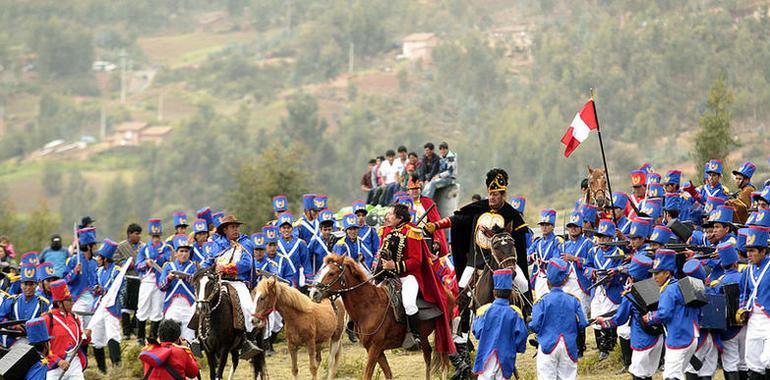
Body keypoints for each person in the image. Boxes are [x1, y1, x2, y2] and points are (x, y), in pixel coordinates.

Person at [424, 168, 528, 375]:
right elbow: (457, 219)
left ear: (503, 194)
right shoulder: (478, 209)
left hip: (502, 262)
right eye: (490, 193)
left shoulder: (511, 215)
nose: (492, 197)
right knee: (459, 294)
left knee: (523, 281)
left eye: (496, 194)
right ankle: (460, 338)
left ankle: (529, 315)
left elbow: (516, 240)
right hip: (475, 261)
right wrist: (436, 226)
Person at [377, 203, 455, 354]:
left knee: (409, 304)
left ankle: (415, 336)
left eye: (391, 214)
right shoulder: (387, 231)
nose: (388, 217)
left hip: (408, 276)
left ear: (400, 218)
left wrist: (395, 265)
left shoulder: (412, 232)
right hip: (390, 276)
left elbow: (416, 261)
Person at [201, 214, 260, 360]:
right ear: (225, 230)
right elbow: (208, 262)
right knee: (201, 303)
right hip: (218, 282)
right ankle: (199, 338)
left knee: (247, 307)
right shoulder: (217, 244)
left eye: (236, 227)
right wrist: (200, 271)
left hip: (237, 282)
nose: (236, 230)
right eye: (232, 227)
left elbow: (247, 264)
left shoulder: (245, 243)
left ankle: (248, 341)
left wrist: (227, 268)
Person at [595, 253, 661, 380]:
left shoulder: (630, 295)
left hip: (642, 338)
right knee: (648, 373)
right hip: (658, 337)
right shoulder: (657, 288)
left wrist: (604, 322)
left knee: (638, 374)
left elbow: (620, 319)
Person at [643, 248, 700, 380]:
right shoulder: (681, 285)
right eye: (653, 274)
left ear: (667, 273)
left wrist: (650, 317)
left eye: (657, 273)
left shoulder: (669, 290)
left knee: (671, 376)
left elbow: (664, 314)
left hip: (679, 338)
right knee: (678, 374)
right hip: (691, 334)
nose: (654, 277)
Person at [529, 258, 589, 380]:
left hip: (547, 345)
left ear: (547, 282)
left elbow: (534, 325)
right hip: (569, 345)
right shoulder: (573, 300)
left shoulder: (541, 302)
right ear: (565, 280)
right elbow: (583, 323)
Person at [471, 268, 527, 380]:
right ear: (511, 294)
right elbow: (521, 337)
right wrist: (516, 347)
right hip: (506, 358)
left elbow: (477, 332)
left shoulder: (483, 310)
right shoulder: (516, 313)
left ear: (494, 292)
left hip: (485, 355)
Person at [584, 219, 625, 361]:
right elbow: (587, 267)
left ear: (611, 238)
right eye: (600, 236)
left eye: (605, 237)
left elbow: (622, 270)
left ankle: (611, 346)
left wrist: (613, 274)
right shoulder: (593, 251)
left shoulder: (618, 251)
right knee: (596, 315)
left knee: (608, 316)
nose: (601, 239)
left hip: (611, 289)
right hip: (597, 289)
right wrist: (592, 272)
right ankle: (601, 347)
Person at [737, 226, 770, 378]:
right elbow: (744, 293)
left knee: (768, 359)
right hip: (754, 319)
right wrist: (742, 309)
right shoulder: (747, 270)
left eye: (753, 251)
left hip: (768, 317)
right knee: (753, 361)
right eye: (748, 251)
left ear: (763, 251)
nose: (749, 255)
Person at [559, 210, 593, 356]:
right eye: (570, 226)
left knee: (581, 314)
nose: (573, 229)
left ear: (581, 228)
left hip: (581, 283)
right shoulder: (563, 245)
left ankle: (581, 346)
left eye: (576, 226)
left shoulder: (588, 243)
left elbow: (590, 262)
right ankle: (571, 345)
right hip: (566, 284)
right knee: (567, 315)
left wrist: (575, 259)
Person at [135, 219, 173, 345]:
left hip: (159, 281)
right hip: (147, 280)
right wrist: (146, 263)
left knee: (158, 309)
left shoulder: (166, 248)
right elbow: (137, 265)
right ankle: (140, 337)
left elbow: (168, 261)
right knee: (143, 307)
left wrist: (162, 259)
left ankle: (152, 336)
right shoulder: (144, 248)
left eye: (158, 236)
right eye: (154, 236)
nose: (156, 239)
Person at [89, 239, 122, 373]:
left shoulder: (117, 271)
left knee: (112, 335)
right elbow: (95, 287)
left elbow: (119, 289)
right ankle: (102, 370)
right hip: (99, 307)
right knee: (96, 338)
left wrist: (104, 290)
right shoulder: (99, 271)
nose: (97, 259)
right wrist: (96, 289)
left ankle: (117, 368)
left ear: (105, 259)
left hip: (112, 307)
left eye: (99, 257)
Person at [44, 279, 88, 380]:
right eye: (69, 300)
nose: (72, 303)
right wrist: (58, 361)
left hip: (74, 362)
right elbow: (42, 347)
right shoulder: (48, 318)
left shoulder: (74, 317)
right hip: (55, 366)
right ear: (59, 304)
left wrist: (87, 336)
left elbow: (81, 340)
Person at [159, 235, 198, 343]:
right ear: (176, 253)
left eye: (186, 251)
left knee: (189, 335)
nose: (184, 254)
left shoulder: (194, 267)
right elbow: (161, 287)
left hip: (189, 305)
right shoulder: (168, 267)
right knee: (170, 333)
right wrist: (169, 279)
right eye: (181, 251)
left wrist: (187, 277)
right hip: (173, 304)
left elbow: (198, 284)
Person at [0, 263, 49, 346]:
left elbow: (46, 324)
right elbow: (1, 318)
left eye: (32, 284)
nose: (28, 287)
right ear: (21, 285)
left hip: (34, 343)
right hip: (12, 342)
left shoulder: (42, 304)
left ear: (36, 285)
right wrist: (13, 326)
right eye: (25, 284)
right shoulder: (12, 301)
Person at [64, 228, 99, 328]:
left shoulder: (94, 262)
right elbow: (65, 279)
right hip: (77, 299)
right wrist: (75, 271)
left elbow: (96, 280)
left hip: (92, 300)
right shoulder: (74, 260)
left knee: (90, 330)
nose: (97, 248)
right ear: (89, 247)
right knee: (79, 328)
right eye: (94, 245)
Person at [406, 177, 449, 256]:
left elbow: (435, 221)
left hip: (424, 236)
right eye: (412, 189)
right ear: (408, 191)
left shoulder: (428, 202)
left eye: (417, 188)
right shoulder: (404, 204)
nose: (415, 191)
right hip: (407, 236)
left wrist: (437, 240)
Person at [115, 223, 142, 340]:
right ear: (129, 234)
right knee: (125, 307)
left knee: (139, 305)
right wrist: (125, 264)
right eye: (136, 234)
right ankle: (126, 332)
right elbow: (115, 260)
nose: (139, 236)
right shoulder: (121, 246)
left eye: (140, 234)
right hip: (126, 279)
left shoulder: (143, 246)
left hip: (140, 279)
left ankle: (134, 327)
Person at [527, 209, 562, 300]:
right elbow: (527, 257)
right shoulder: (537, 242)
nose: (544, 227)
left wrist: (544, 262)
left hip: (550, 278)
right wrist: (532, 257)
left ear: (553, 226)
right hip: (538, 277)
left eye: (547, 225)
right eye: (542, 225)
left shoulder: (557, 241)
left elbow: (557, 260)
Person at [275, 212, 309, 289]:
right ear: (280, 229)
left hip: (295, 278)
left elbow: (306, 263)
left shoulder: (300, 243)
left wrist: (309, 279)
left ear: (292, 229)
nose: (286, 230)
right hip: (280, 277)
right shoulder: (276, 243)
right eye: (284, 228)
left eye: (288, 228)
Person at [306, 209, 337, 284]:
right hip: (318, 272)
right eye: (325, 230)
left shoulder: (336, 240)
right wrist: (309, 275)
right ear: (320, 230)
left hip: (332, 273)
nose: (327, 232)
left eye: (329, 229)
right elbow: (308, 258)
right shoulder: (315, 241)